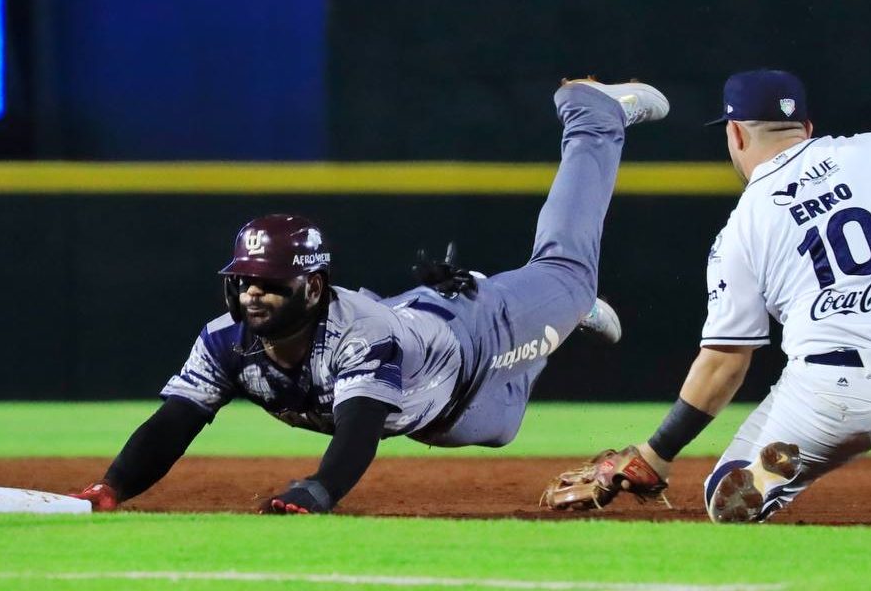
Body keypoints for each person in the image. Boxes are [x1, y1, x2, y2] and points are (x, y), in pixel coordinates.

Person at [72, 78, 670, 514]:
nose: (253, 294)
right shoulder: (225, 342)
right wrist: (112, 486)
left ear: (311, 285)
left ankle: (591, 116)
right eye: (244, 280)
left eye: (270, 283)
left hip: (476, 335)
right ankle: (561, 313)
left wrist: (317, 491)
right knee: (501, 428)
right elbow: (176, 421)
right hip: (440, 406)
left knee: (565, 271)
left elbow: (357, 431)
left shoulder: (360, 337)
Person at [543, 69, 871, 523]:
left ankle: (769, 469)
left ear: (736, 134)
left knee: (723, 496)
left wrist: (658, 451)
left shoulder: (740, 231)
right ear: (806, 128)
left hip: (832, 394)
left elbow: (725, 362)